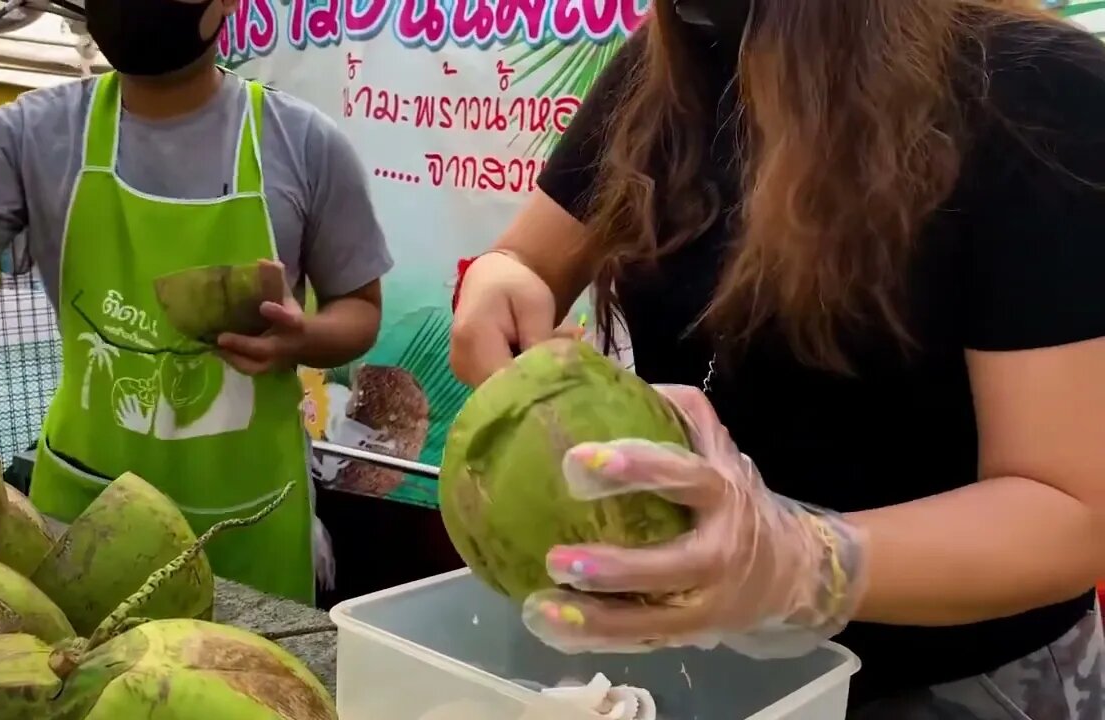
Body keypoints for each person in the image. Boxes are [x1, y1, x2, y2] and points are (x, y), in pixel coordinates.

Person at [449, 0, 1105, 717]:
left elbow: (1073, 510)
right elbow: (530, 256)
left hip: (956, 681)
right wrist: (503, 276)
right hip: (704, 666)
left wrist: (804, 561)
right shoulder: (670, 61)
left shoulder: (1037, 90)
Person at [0, 0, 391, 607]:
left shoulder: (303, 143)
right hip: (86, 523)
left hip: (248, 522)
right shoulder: (29, 137)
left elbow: (359, 309)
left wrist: (306, 338)